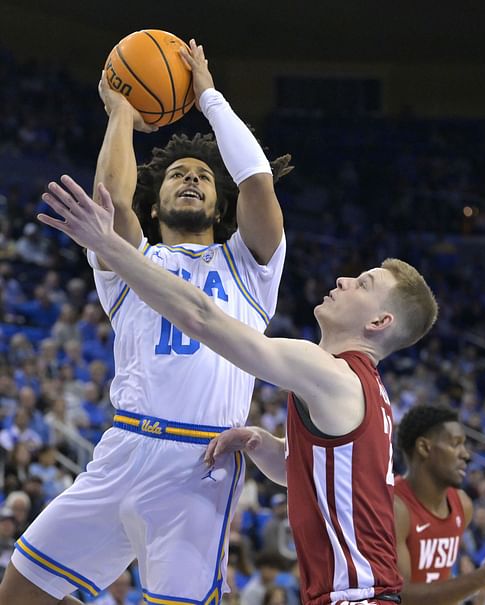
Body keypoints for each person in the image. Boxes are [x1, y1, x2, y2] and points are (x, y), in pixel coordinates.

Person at [35, 174, 440, 604]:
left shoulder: (330, 371)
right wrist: (264, 443)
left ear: (379, 323)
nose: (343, 280)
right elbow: (313, 478)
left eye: (363, 284)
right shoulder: (370, 390)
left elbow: (201, 317)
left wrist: (107, 243)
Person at [0, 41, 291, 605]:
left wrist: (207, 95)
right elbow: (109, 200)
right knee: (19, 592)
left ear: (219, 204)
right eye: (177, 174)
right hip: (121, 448)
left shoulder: (250, 268)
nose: (190, 179)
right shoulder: (131, 261)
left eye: (203, 177)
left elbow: (258, 184)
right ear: (153, 206)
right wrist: (121, 115)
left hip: (197, 464)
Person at [394, 404, 485, 605]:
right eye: (455, 444)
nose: (466, 455)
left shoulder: (463, 504)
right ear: (424, 447)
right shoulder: (395, 508)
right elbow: (400, 597)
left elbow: (441, 573)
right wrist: (483, 577)